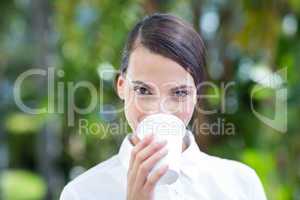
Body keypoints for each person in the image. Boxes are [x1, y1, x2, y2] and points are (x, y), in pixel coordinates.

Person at [60, 13, 267, 200]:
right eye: (143, 91)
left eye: (179, 93)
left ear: (197, 94)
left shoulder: (240, 185)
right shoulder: (81, 193)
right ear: (122, 87)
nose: (159, 110)